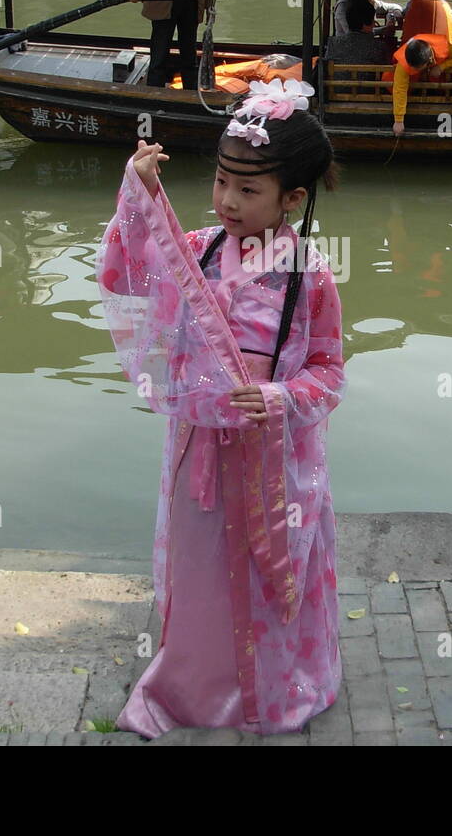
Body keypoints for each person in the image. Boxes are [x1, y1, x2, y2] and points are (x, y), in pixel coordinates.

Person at [97, 86, 345, 739]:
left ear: (293, 197)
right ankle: (194, 689)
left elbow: (329, 374)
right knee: (204, 580)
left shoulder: (309, 277)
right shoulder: (199, 250)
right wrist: (137, 188)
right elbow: (129, 277)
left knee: (267, 584)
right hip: (198, 454)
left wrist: (277, 397)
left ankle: (274, 690)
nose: (229, 201)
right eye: (221, 181)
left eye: (248, 189)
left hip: (273, 463)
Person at [388, 31, 452, 136]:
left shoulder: (444, 46)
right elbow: (399, 89)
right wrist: (398, 120)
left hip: (436, 83)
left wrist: (441, 67)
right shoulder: (404, 63)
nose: (412, 69)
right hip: (413, 86)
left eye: (417, 68)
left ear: (429, 61)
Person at [325, 0, 396, 67]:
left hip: (337, 78)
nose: (374, 24)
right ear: (365, 24)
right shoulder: (378, 47)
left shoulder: (333, 44)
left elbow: (325, 68)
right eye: (373, 21)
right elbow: (385, 70)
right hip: (367, 78)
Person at [332, 0, 403, 37]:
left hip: (367, 42)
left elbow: (394, 6)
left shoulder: (366, 1)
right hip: (345, 45)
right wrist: (384, 29)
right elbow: (352, 35)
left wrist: (396, 12)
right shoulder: (343, 6)